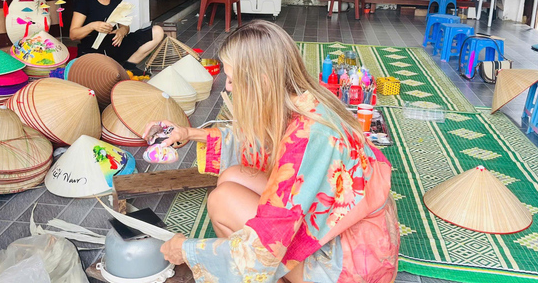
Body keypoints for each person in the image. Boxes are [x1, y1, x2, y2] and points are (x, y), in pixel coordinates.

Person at [142, 21, 399, 283]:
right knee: (232, 177)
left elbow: (264, 245)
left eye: (232, 79)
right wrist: (188, 133)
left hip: (348, 265)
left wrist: (188, 250)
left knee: (222, 200)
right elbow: (256, 141)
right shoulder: (303, 100)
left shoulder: (309, 137)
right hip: (349, 234)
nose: (228, 87)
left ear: (262, 81)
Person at [70, 0, 164, 75]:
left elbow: (124, 24)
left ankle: (129, 66)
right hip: (93, 51)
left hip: (115, 46)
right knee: (101, 77)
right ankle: (115, 69)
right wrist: (92, 26)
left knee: (157, 32)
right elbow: (73, 35)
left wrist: (122, 31)